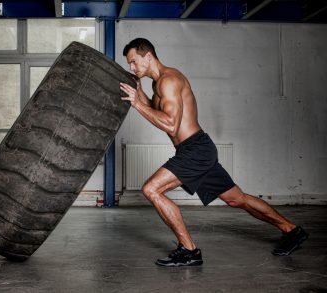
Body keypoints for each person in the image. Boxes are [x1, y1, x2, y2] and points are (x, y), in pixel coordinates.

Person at [119, 38, 308, 267]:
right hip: (196, 149)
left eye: (134, 62)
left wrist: (139, 106)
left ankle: (189, 250)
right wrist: (139, 98)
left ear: (148, 56)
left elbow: (170, 125)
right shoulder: (156, 84)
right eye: (129, 64)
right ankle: (292, 230)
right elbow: (158, 113)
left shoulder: (169, 80)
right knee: (237, 199)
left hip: (195, 150)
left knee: (151, 189)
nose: (132, 68)